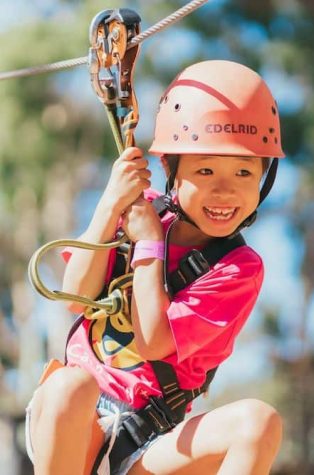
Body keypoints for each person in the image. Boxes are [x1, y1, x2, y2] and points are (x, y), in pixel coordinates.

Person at [26, 60, 285, 475]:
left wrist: (148, 244)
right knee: (70, 386)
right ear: (170, 169)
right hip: (73, 420)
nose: (226, 190)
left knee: (259, 422)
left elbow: (152, 341)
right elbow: (77, 298)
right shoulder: (138, 209)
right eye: (205, 170)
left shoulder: (239, 269)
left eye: (243, 172)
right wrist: (111, 203)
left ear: (263, 178)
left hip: (148, 442)